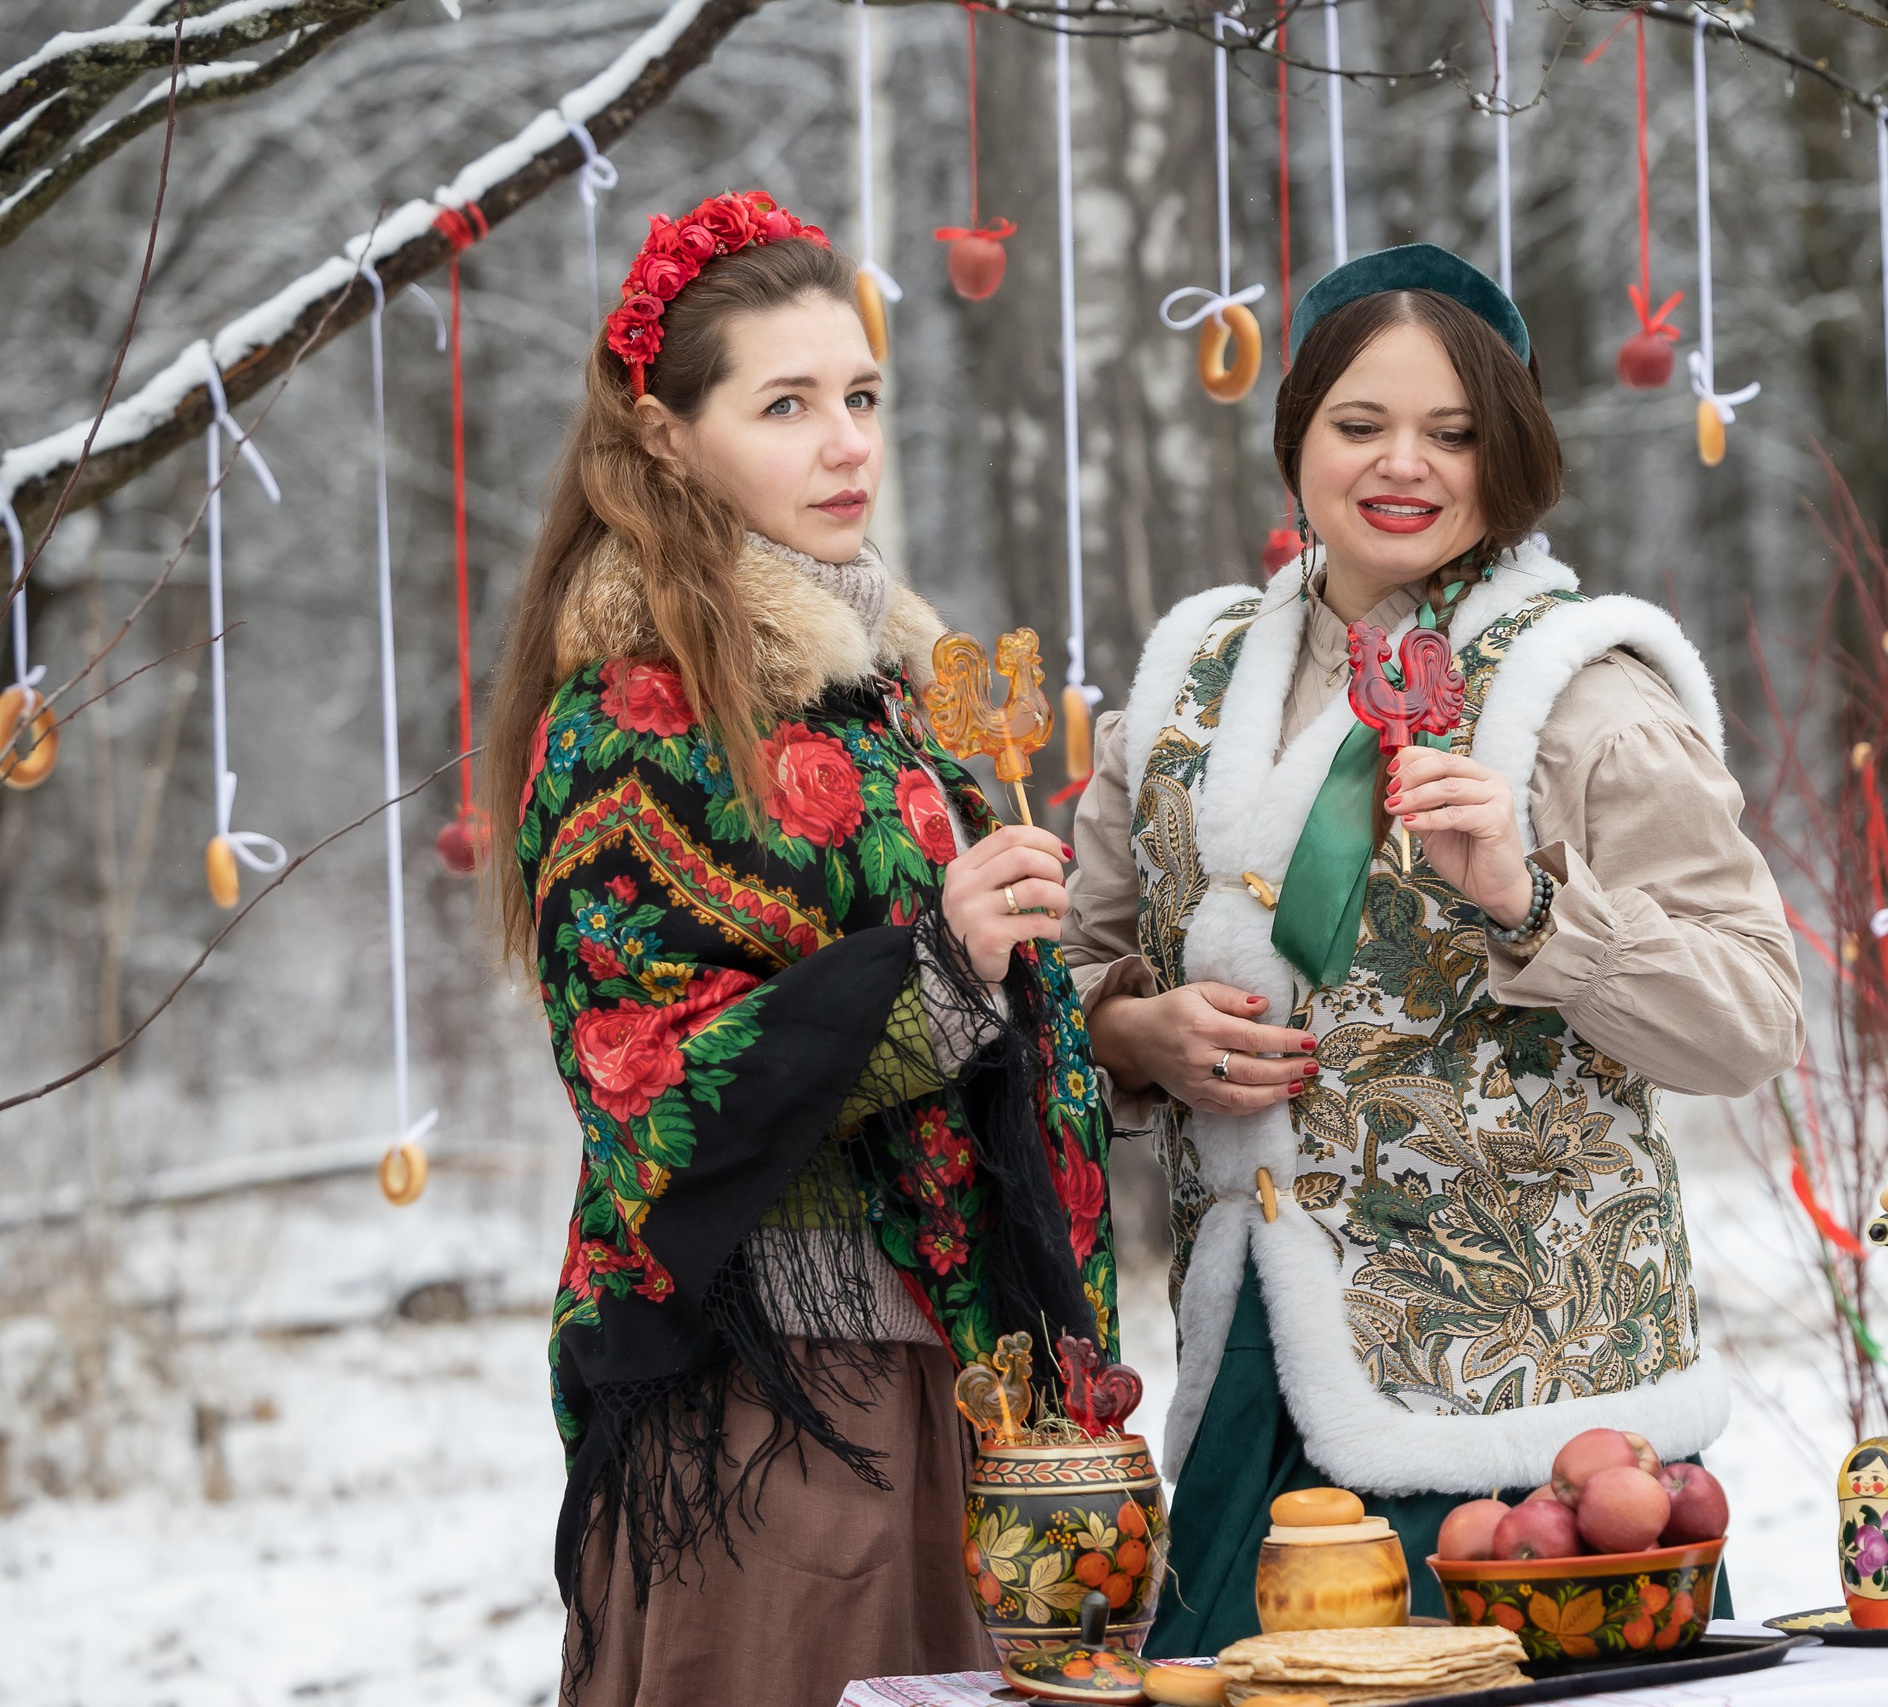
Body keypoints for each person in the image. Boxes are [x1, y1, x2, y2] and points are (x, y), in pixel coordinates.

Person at [1061, 245, 1803, 1654]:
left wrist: (1534, 904)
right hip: (1256, 1387)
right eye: (1360, 425)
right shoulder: (1189, 681)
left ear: (1507, 453)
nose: (1404, 465)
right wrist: (1128, 1034)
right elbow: (1078, 971)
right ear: (1300, 440)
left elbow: (1753, 1016)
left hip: (1528, 1442)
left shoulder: (1578, 688)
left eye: (1453, 433)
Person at [481, 192, 1115, 1705]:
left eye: (862, 397)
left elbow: (955, 1016)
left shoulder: (884, 688)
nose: (848, 446)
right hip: (776, 1414)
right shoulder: (628, 717)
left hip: (963, 1387)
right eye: (787, 405)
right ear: (663, 434)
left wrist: (1102, 1031)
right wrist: (944, 972)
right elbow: (648, 1082)